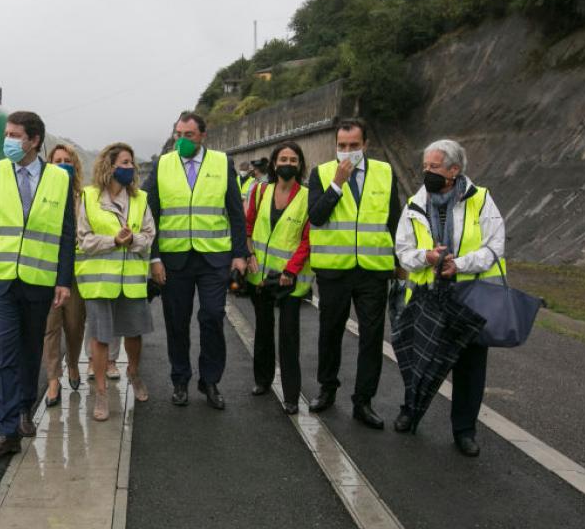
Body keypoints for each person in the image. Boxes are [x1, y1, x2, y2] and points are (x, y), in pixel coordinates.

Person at [0, 111, 75, 457]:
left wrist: (63, 280)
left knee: (30, 350)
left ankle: (26, 406)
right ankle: (7, 429)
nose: (8, 141)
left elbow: (65, 232)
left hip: (38, 280)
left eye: (15, 135)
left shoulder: (59, 178)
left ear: (34, 141)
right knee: (2, 353)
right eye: (7, 134)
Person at [393, 139, 505, 457]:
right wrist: (426, 257)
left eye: (434, 167)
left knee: (470, 368)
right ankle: (410, 412)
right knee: (419, 361)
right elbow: (402, 251)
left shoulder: (481, 201)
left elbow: (495, 247)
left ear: (454, 170)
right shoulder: (415, 204)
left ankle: (464, 431)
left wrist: (461, 264)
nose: (427, 172)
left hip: (470, 297)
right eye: (425, 166)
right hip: (427, 297)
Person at [143, 111, 249, 410]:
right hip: (174, 259)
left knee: (213, 316)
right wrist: (154, 258)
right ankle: (180, 380)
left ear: (203, 135)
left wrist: (240, 253)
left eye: (188, 135)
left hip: (213, 257)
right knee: (176, 323)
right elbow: (148, 213)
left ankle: (210, 380)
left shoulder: (220, 162)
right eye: (178, 134)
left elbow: (235, 212)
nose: (181, 141)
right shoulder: (163, 164)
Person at [306, 118, 402, 428]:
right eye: (342, 146)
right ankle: (327, 389)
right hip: (334, 271)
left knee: (372, 337)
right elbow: (317, 218)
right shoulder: (321, 173)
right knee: (330, 332)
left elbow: (395, 221)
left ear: (366, 146)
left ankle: (363, 401)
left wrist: (399, 262)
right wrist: (337, 183)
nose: (347, 152)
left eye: (353, 146)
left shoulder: (385, 173)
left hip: (373, 271)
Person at [77, 142, 156, 420]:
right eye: (124, 163)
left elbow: (149, 235)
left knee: (134, 334)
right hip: (99, 282)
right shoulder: (88, 197)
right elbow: (83, 240)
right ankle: (101, 393)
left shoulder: (140, 199)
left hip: (132, 281)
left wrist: (133, 239)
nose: (129, 168)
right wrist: (114, 240)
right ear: (109, 166)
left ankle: (133, 372)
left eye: (131, 163)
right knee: (101, 337)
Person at [245, 142, 312, 415]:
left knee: (288, 337)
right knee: (262, 331)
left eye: (293, 159)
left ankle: (292, 395)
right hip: (259, 277)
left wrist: (291, 270)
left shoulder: (308, 196)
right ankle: (262, 381)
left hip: (289, 281)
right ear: (273, 163)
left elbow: (308, 239)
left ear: (299, 165)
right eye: (282, 158)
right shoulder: (261, 191)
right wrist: (248, 254)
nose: (287, 163)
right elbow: (248, 226)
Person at [42, 144, 86, 406]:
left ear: (75, 165)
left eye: (66, 160)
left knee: (74, 325)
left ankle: (73, 363)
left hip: (77, 272)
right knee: (50, 327)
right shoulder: (44, 194)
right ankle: (53, 380)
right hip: (48, 269)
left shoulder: (84, 196)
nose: (61, 164)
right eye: (57, 160)